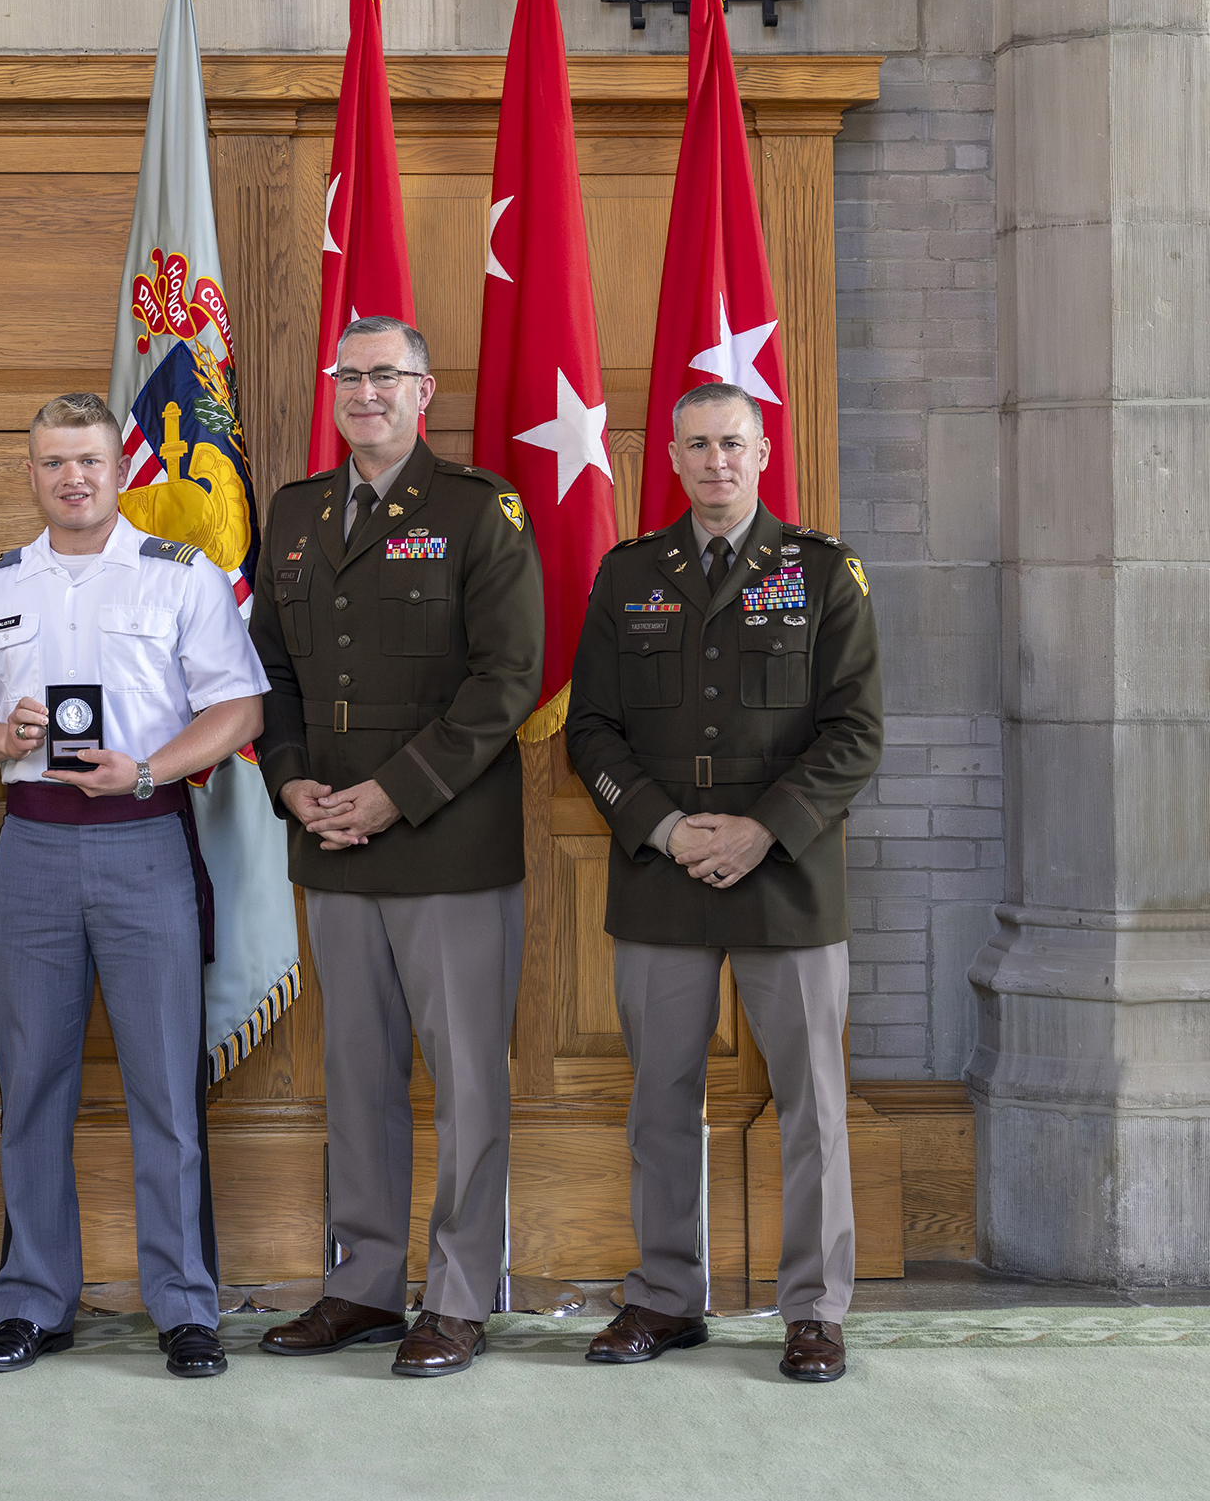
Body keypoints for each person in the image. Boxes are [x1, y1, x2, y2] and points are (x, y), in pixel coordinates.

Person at [0, 392, 267, 1380]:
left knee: (165, 1085)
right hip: (32, 845)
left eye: (88, 460)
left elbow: (239, 708)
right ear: (30, 473)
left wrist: (149, 769)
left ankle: (186, 1307)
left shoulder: (180, 576)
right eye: (53, 462)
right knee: (33, 1082)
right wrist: (3, 736)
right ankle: (33, 1301)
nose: (72, 477)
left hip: (144, 839)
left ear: (119, 469)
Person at [566, 380, 883, 1384]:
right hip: (662, 869)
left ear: (762, 451)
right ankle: (666, 1296)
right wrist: (664, 827)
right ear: (670, 457)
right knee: (660, 1096)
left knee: (812, 1103)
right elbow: (591, 730)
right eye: (698, 445)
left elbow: (855, 734)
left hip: (786, 873)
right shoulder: (628, 574)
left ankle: (815, 1309)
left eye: (733, 443)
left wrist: (762, 829)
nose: (716, 461)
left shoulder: (822, 572)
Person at [247, 316, 544, 1377]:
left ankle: (458, 1296)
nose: (364, 391)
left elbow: (507, 680)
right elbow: (270, 667)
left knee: (467, 1083)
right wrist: (290, 778)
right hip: (331, 837)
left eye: (386, 375)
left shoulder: (477, 509)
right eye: (350, 374)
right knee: (358, 1075)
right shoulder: (295, 512)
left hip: (446, 844)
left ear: (424, 391)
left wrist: (393, 794)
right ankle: (365, 1282)